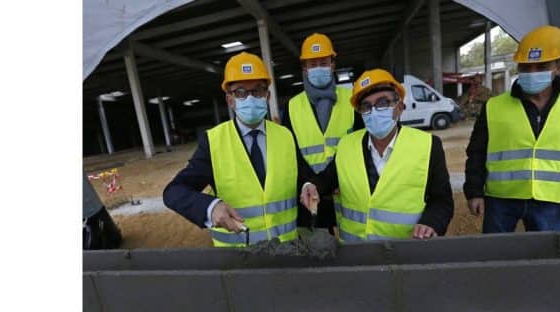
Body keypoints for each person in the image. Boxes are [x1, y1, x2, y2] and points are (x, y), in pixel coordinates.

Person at [464, 25, 560, 233]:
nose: (531, 73)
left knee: (546, 259)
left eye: (541, 66)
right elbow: (476, 153)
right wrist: (474, 191)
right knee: (495, 257)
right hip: (501, 201)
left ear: (559, 66)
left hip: (551, 201)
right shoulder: (494, 106)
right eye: (525, 67)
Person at [163, 52, 307, 247]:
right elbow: (174, 191)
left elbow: (301, 176)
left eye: (257, 90)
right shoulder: (213, 142)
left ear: (267, 95)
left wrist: (308, 185)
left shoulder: (285, 136)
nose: (250, 98)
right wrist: (210, 208)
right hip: (239, 259)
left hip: (286, 252)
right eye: (240, 92)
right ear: (230, 100)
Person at [300, 69, 453, 241]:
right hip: (355, 253)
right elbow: (326, 180)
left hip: (403, 252)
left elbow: (442, 201)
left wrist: (431, 223)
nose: (374, 111)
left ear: (399, 107)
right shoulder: (346, 146)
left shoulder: (428, 146)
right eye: (366, 106)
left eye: (383, 103)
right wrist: (311, 185)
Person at [282, 33, 364, 233]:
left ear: (333, 64)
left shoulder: (352, 100)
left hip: (348, 195)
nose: (318, 68)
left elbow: (362, 145)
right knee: (318, 254)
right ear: (304, 68)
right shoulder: (292, 107)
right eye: (312, 64)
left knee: (353, 254)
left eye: (323, 62)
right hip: (310, 197)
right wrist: (310, 183)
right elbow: (290, 154)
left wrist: (338, 180)